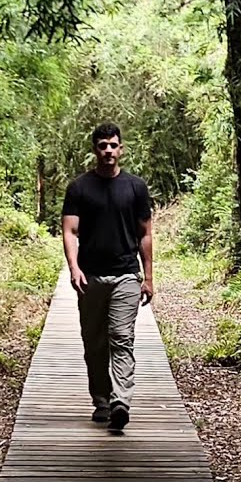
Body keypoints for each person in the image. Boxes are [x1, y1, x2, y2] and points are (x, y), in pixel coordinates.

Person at [62, 122, 154, 434]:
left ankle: (120, 402)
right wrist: (74, 268)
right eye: (103, 146)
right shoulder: (79, 188)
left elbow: (145, 234)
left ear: (121, 149)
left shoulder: (135, 188)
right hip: (90, 277)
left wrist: (149, 277)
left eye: (113, 145)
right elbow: (69, 231)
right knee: (94, 342)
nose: (108, 151)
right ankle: (101, 399)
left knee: (121, 338)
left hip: (126, 274)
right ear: (95, 150)